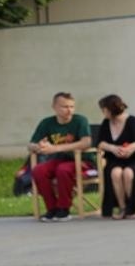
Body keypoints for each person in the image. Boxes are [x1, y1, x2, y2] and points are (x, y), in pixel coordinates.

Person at [28, 92, 91, 221]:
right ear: (54, 107)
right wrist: (39, 146)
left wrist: (56, 148)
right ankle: (52, 208)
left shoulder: (80, 120)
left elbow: (86, 143)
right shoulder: (47, 123)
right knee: (39, 171)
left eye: (72, 107)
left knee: (63, 169)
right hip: (58, 160)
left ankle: (64, 209)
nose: (69, 110)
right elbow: (31, 144)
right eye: (65, 107)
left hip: (82, 160)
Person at [93, 95, 135, 219]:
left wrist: (134, 146)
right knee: (115, 173)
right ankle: (122, 207)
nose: (103, 112)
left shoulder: (134, 122)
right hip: (115, 159)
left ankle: (131, 208)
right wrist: (112, 148)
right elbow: (100, 142)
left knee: (128, 173)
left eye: (103, 109)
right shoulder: (106, 123)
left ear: (110, 109)